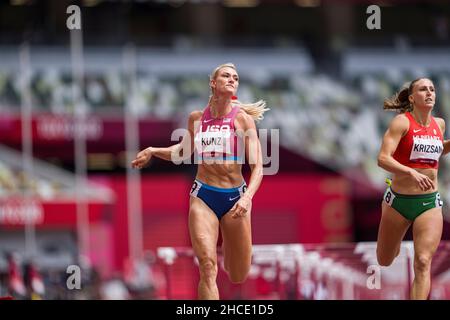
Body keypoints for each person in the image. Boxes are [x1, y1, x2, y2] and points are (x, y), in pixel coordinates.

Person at [131, 63, 268, 299]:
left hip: (236, 198)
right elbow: (181, 153)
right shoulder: (196, 118)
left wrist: (247, 198)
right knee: (207, 266)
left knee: (238, 274)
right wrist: (153, 150)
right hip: (203, 196)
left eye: (235, 77)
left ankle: (230, 244)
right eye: (225, 75)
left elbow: (258, 168)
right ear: (213, 83)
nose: (232, 79)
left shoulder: (243, 120)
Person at [377, 77, 450, 300]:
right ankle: (396, 240)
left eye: (432, 89)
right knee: (384, 259)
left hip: (428, 203)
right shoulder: (402, 122)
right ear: (412, 97)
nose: (429, 93)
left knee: (423, 262)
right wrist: (410, 172)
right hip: (398, 202)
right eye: (423, 89)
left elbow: (436, 151)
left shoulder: (439, 124)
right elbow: (382, 159)